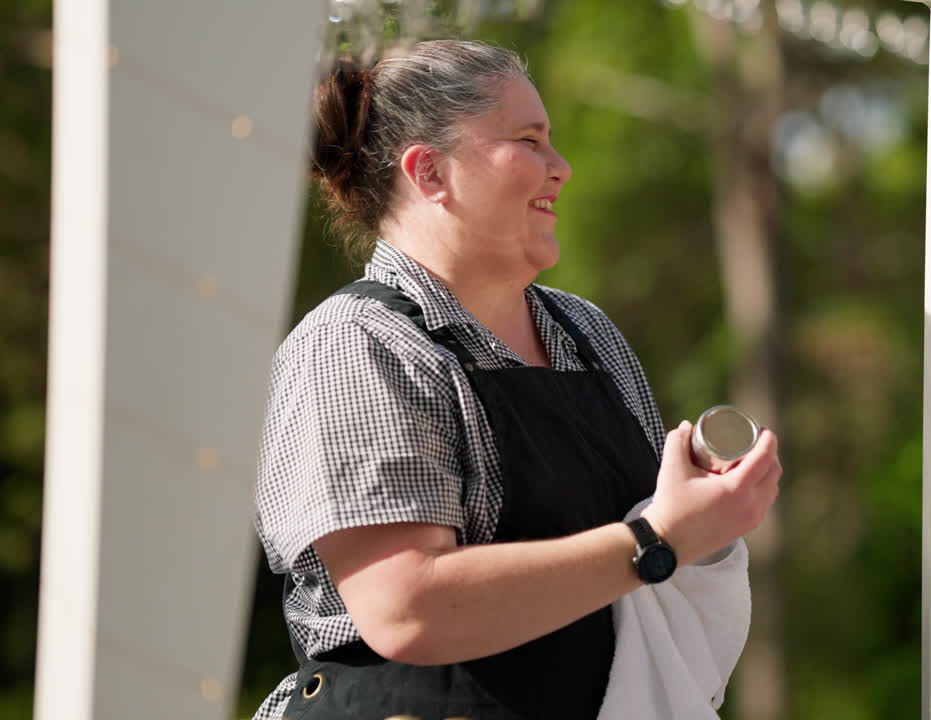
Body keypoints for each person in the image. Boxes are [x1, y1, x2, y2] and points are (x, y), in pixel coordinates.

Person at [253, 39, 782, 720]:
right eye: (529, 140)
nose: (560, 168)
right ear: (431, 172)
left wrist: (700, 519)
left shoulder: (586, 334)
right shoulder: (355, 345)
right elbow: (407, 610)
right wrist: (657, 541)